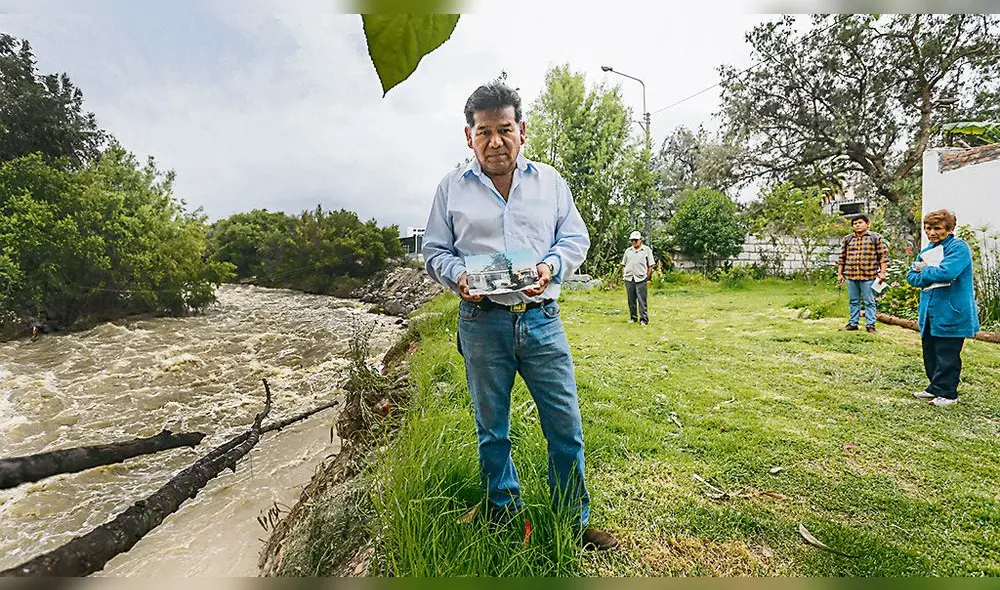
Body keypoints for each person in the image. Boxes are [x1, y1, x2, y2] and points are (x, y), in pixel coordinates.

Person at [422, 82, 618, 551]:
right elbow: (433, 250)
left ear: (522, 130)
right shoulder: (451, 188)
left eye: (504, 129)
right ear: (468, 136)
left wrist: (551, 266)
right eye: (483, 131)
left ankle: (572, 519)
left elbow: (574, 240)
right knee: (492, 429)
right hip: (481, 322)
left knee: (565, 426)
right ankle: (504, 512)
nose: (495, 141)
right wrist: (458, 277)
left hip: (541, 319)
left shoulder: (550, 182)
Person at [906, 209, 979, 407]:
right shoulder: (928, 250)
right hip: (930, 312)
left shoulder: (958, 248)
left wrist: (924, 269)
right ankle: (934, 388)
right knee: (930, 351)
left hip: (951, 311)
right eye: (928, 228)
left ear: (950, 229)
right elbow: (911, 277)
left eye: (937, 228)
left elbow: (948, 272)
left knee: (947, 354)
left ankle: (948, 394)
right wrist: (929, 273)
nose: (931, 232)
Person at [836, 214, 888, 333]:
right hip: (851, 275)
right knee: (853, 301)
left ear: (867, 224)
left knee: (869, 301)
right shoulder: (848, 239)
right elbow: (842, 258)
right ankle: (853, 323)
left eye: (860, 222)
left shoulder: (875, 237)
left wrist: (883, 272)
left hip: (868, 276)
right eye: (855, 223)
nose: (857, 225)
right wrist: (840, 274)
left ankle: (870, 325)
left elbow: (883, 257)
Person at [621, 230, 654, 324]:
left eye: (635, 240)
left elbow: (650, 265)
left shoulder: (646, 250)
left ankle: (644, 319)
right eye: (632, 240)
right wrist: (624, 274)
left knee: (642, 300)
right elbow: (623, 264)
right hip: (629, 278)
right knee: (631, 300)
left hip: (641, 278)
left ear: (640, 240)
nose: (634, 242)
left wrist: (647, 277)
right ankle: (633, 317)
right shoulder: (628, 251)